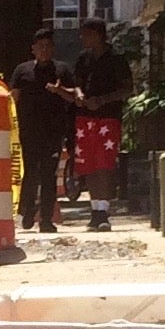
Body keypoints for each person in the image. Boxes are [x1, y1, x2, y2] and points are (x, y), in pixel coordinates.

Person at [64, 20, 134, 225]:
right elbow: (76, 83)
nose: (82, 38)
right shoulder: (83, 58)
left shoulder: (116, 59)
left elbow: (127, 88)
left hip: (107, 117)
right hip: (85, 118)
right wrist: (79, 94)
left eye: (86, 34)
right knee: (89, 165)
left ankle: (104, 210)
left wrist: (102, 100)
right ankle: (95, 210)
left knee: (104, 164)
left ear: (97, 35)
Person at [8, 26, 73, 232]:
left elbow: (74, 97)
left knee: (49, 175)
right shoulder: (22, 70)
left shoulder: (62, 70)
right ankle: (27, 211)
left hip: (53, 132)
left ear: (53, 49)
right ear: (33, 49)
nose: (44, 50)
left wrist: (59, 90)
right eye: (40, 46)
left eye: (48, 46)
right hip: (27, 132)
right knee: (29, 174)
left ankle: (46, 219)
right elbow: (13, 98)